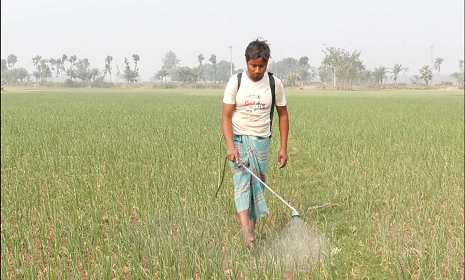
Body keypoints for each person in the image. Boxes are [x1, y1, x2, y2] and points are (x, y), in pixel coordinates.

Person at [222, 38, 289, 248]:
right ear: (246, 61)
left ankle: (253, 231)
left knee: (257, 186)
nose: (257, 70)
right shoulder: (236, 82)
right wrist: (230, 146)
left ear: (267, 63)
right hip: (239, 139)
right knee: (242, 183)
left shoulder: (274, 84)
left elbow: (283, 115)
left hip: (261, 141)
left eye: (261, 65)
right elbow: (226, 116)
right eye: (253, 65)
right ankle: (245, 231)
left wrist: (284, 147)